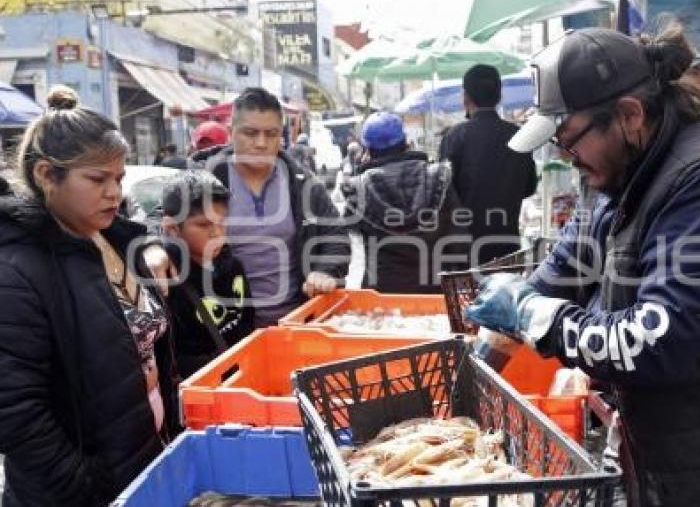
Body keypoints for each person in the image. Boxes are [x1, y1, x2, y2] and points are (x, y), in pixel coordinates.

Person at [465, 27, 700, 507]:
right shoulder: (617, 171)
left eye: (568, 139)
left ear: (629, 115)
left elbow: (659, 340)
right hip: (676, 457)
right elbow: (568, 265)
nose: (564, 156)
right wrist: (485, 352)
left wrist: (536, 316)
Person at [0, 86, 177, 507]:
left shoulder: (109, 237)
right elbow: (11, 411)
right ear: (46, 175)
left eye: (119, 178)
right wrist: (85, 485)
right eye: (97, 179)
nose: (115, 193)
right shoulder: (12, 273)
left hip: (142, 467)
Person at [190, 87, 350, 325]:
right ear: (232, 132)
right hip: (228, 330)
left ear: (281, 136)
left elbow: (335, 234)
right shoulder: (204, 179)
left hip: (298, 324)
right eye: (251, 133)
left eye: (271, 134)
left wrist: (325, 270)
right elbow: (161, 220)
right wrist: (155, 249)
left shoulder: (303, 184)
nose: (262, 143)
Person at [341, 112, 465, 293]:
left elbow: (345, 234)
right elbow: (459, 238)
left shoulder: (357, 187)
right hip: (435, 289)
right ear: (405, 142)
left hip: (382, 294)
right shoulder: (439, 176)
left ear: (368, 150)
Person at [439, 64, 538, 265]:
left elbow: (443, 195)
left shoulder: (455, 137)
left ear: (465, 97)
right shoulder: (518, 135)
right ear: (499, 96)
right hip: (507, 248)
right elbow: (529, 187)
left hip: (464, 251)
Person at [161, 170, 254, 379]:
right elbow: (172, 353)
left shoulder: (234, 265)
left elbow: (248, 320)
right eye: (204, 225)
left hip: (242, 376)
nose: (217, 233)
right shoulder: (168, 282)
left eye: (222, 222)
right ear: (172, 229)